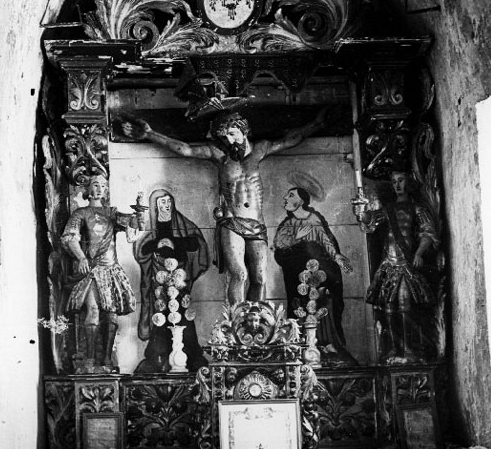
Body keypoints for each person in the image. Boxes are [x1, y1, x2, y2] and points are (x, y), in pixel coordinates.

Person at [122, 107, 330, 305]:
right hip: (232, 222)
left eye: (232, 134)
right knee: (239, 274)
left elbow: (290, 140)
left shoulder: (260, 149)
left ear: (243, 129)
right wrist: (150, 134)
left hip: (257, 224)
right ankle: (236, 323)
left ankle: (258, 324)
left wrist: (317, 124)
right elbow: (185, 150)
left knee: (260, 277)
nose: (229, 141)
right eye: (225, 137)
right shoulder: (219, 155)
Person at [61, 173, 145, 373]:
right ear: (88, 189)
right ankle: (89, 359)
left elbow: (133, 228)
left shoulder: (112, 213)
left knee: (112, 316)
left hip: (111, 270)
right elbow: (70, 237)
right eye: (95, 185)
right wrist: (81, 257)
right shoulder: (80, 214)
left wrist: (140, 213)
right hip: (92, 269)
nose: (99, 189)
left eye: (103, 186)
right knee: (93, 310)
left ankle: (107, 358)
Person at [354, 170, 439, 363]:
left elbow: (428, 233)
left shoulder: (417, 208)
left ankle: (410, 351)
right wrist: (361, 212)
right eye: (394, 182)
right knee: (389, 308)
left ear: (408, 183)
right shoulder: (389, 209)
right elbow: (371, 221)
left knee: (405, 306)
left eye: (401, 180)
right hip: (389, 263)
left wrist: (418, 253)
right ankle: (393, 349)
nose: (397, 185)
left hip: (406, 263)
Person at [274, 186, 357, 365]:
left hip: (319, 276)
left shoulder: (315, 219)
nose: (285, 199)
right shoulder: (287, 224)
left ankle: (327, 346)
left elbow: (326, 241)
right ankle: (303, 347)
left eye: (290, 196)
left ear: (301, 201)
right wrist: (297, 238)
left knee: (323, 305)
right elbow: (279, 245)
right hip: (298, 279)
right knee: (301, 308)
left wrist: (337, 257)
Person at [133, 189, 210, 373]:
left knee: (182, 314)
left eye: (168, 201)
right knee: (160, 314)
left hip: (180, 278)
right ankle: (157, 356)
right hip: (158, 278)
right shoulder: (151, 225)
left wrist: (174, 243)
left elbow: (195, 242)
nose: (166, 206)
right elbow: (142, 249)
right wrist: (157, 245)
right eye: (161, 203)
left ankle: (191, 356)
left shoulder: (181, 222)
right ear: (155, 207)